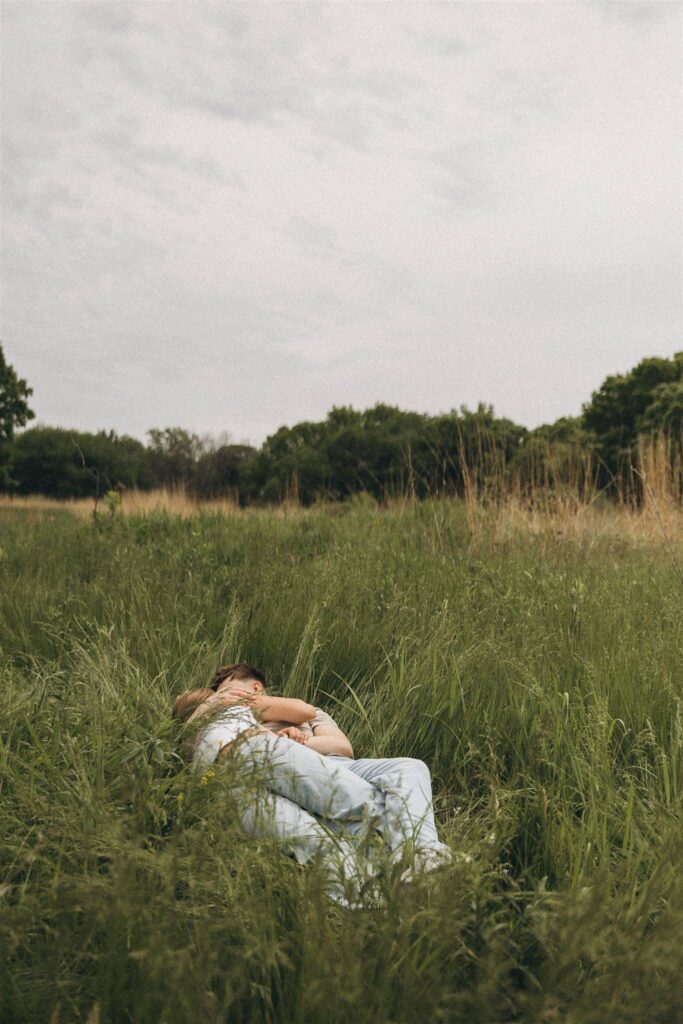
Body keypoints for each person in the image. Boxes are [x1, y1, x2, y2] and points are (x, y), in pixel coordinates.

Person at [206, 663, 454, 882]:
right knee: (372, 815)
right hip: (285, 776)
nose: (225, 698)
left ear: (256, 687)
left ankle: (424, 854)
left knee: (410, 767)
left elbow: (342, 747)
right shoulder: (230, 722)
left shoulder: (308, 712)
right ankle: (394, 870)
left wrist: (297, 742)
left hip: (337, 766)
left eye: (229, 690)